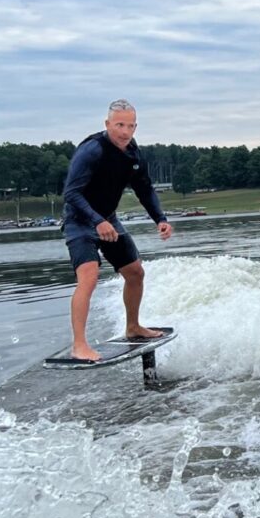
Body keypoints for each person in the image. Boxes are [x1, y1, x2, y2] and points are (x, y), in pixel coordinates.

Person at [62, 100, 174, 361]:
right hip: (79, 221)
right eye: (120, 125)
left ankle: (133, 327)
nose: (125, 132)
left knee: (135, 273)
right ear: (107, 124)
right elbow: (71, 193)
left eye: (131, 126)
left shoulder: (133, 153)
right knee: (88, 278)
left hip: (108, 219)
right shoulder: (92, 151)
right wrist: (97, 221)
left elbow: (144, 188)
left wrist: (160, 218)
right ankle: (79, 345)